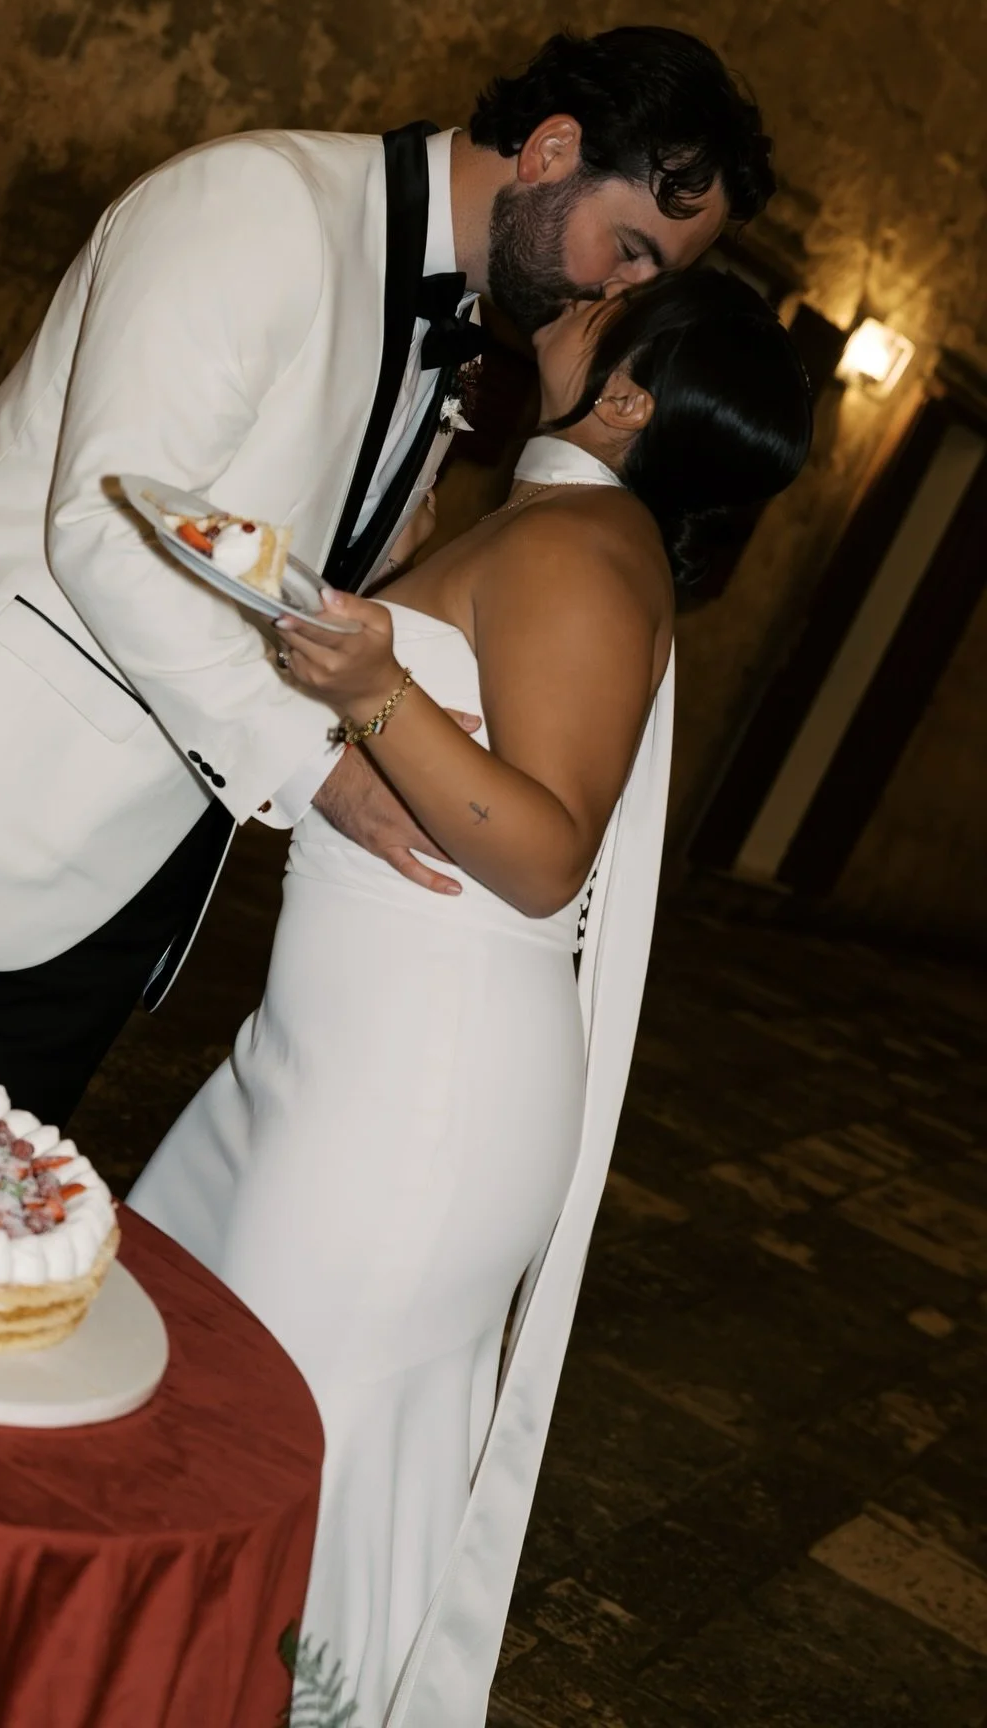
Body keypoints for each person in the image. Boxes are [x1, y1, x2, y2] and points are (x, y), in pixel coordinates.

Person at [0, 27, 774, 1128]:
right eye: (633, 248)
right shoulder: (262, 205)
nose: (623, 290)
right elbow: (112, 518)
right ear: (553, 150)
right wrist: (324, 768)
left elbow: (259, 560)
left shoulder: (452, 328)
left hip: (112, 883)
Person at [129, 268, 815, 1727]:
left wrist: (377, 685)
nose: (589, 292)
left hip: (409, 1097)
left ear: (630, 392)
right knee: (239, 1430)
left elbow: (547, 849)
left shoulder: (579, 545)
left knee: (262, 1466)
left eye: (626, 298)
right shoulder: (566, 527)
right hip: (346, 1061)